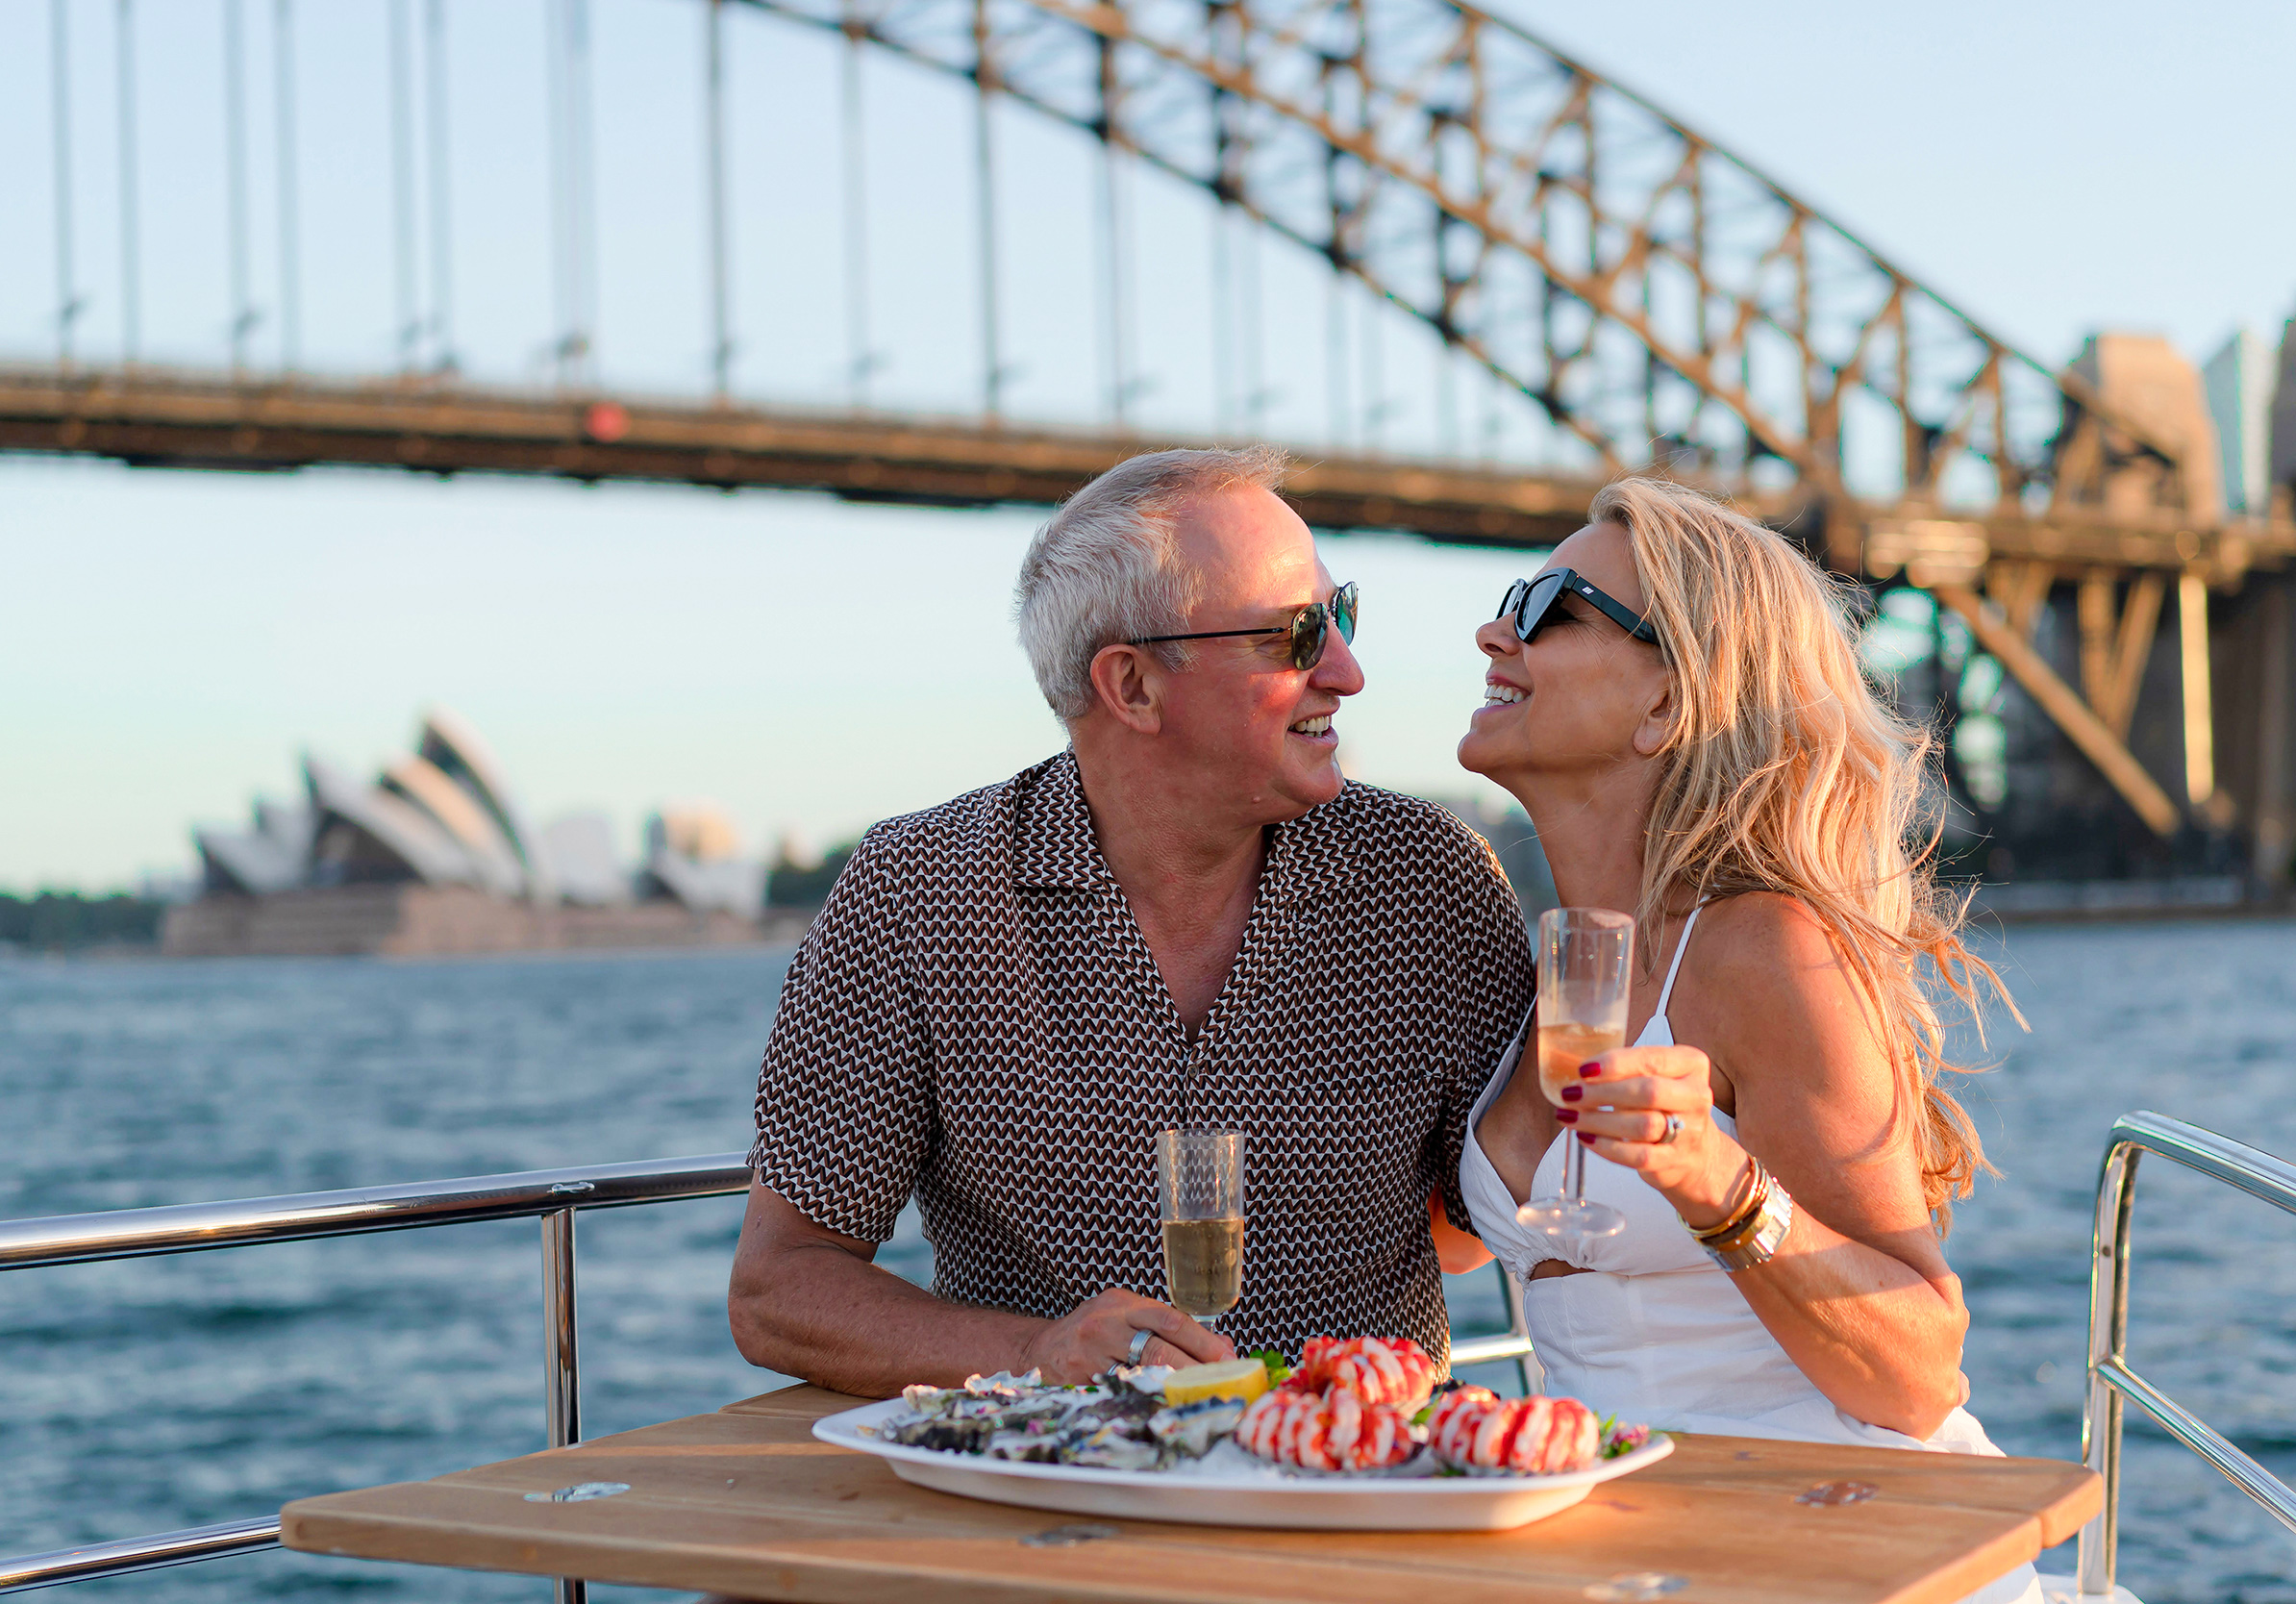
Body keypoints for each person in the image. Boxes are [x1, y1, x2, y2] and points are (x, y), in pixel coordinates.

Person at [731, 445, 1534, 1398]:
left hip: (1354, 1490)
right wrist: (1035, 1356)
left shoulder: (1428, 880)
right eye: (1296, 635)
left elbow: (1475, 1229)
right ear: (1133, 688)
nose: (1348, 671)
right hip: (1043, 1499)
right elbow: (779, 1287)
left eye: (1342, 614)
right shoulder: (919, 888)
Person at [1455, 477, 2039, 1604]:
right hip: (1634, 1550)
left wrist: (1715, 1180)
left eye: (1548, 609)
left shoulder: (1764, 950)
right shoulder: (1556, 969)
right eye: (1506, 601)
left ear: (1668, 702)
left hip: (1837, 1545)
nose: (1494, 630)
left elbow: (1920, 1372)